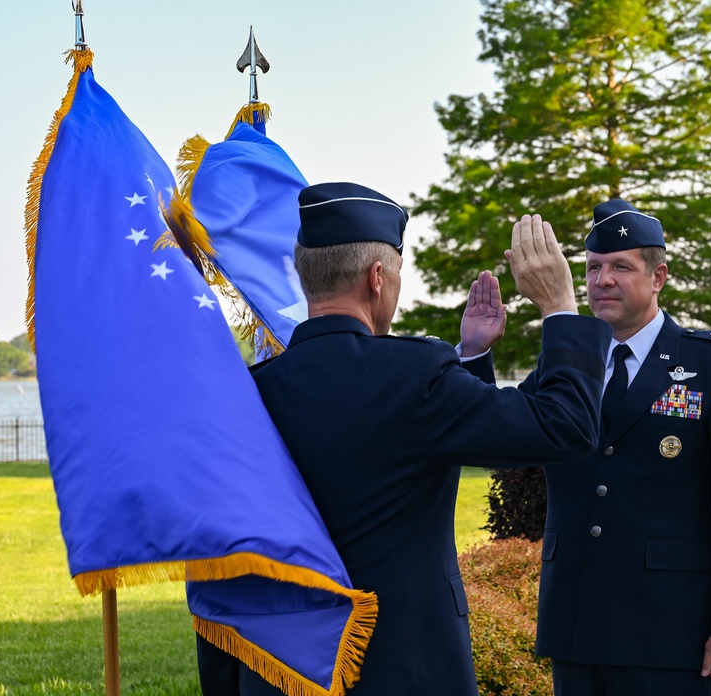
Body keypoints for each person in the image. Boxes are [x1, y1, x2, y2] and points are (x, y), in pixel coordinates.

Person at [197, 181, 612, 695]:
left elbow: (217, 565)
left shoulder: (249, 394)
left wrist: (471, 358)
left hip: (280, 673)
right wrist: (560, 306)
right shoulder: (417, 376)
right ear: (377, 278)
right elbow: (565, 426)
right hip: (406, 668)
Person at [521, 199, 711, 696]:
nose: (602, 280)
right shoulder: (565, 364)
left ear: (658, 277)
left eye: (620, 267)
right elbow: (502, 435)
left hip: (670, 627)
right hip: (576, 621)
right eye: (593, 267)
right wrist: (475, 353)